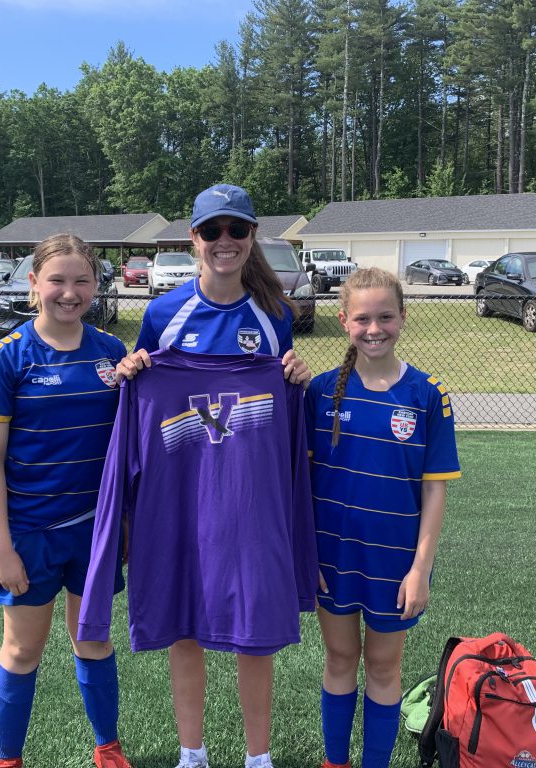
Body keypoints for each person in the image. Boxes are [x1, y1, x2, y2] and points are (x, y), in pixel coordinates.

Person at [110, 183, 313, 768]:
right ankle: (192, 753)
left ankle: (257, 757)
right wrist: (131, 371)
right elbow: (146, 388)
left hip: (249, 501)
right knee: (185, 624)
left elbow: (282, 396)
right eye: (212, 231)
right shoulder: (162, 312)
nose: (225, 242)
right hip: (183, 500)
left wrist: (297, 377)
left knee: (255, 629)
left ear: (252, 238)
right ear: (193, 238)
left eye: (237, 230)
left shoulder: (274, 317)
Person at [0, 234, 132, 768]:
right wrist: (0, 548)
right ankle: (7, 759)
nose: (69, 292)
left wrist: (126, 522)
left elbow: (128, 449)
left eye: (81, 280)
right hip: (31, 534)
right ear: (33, 283)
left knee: (94, 643)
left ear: (96, 285)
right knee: (22, 650)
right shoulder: (4, 359)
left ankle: (107, 747)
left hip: (94, 531)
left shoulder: (112, 354)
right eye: (56, 280)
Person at [305, 268, 460, 768]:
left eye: (386, 317)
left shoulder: (427, 394)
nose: (375, 329)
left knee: (383, 663)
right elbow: (299, 486)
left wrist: (420, 569)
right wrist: (306, 556)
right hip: (332, 555)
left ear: (404, 317)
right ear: (343, 320)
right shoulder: (320, 393)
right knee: (340, 658)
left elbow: (434, 491)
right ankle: (335, 762)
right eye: (363, 318)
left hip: (396, 562)